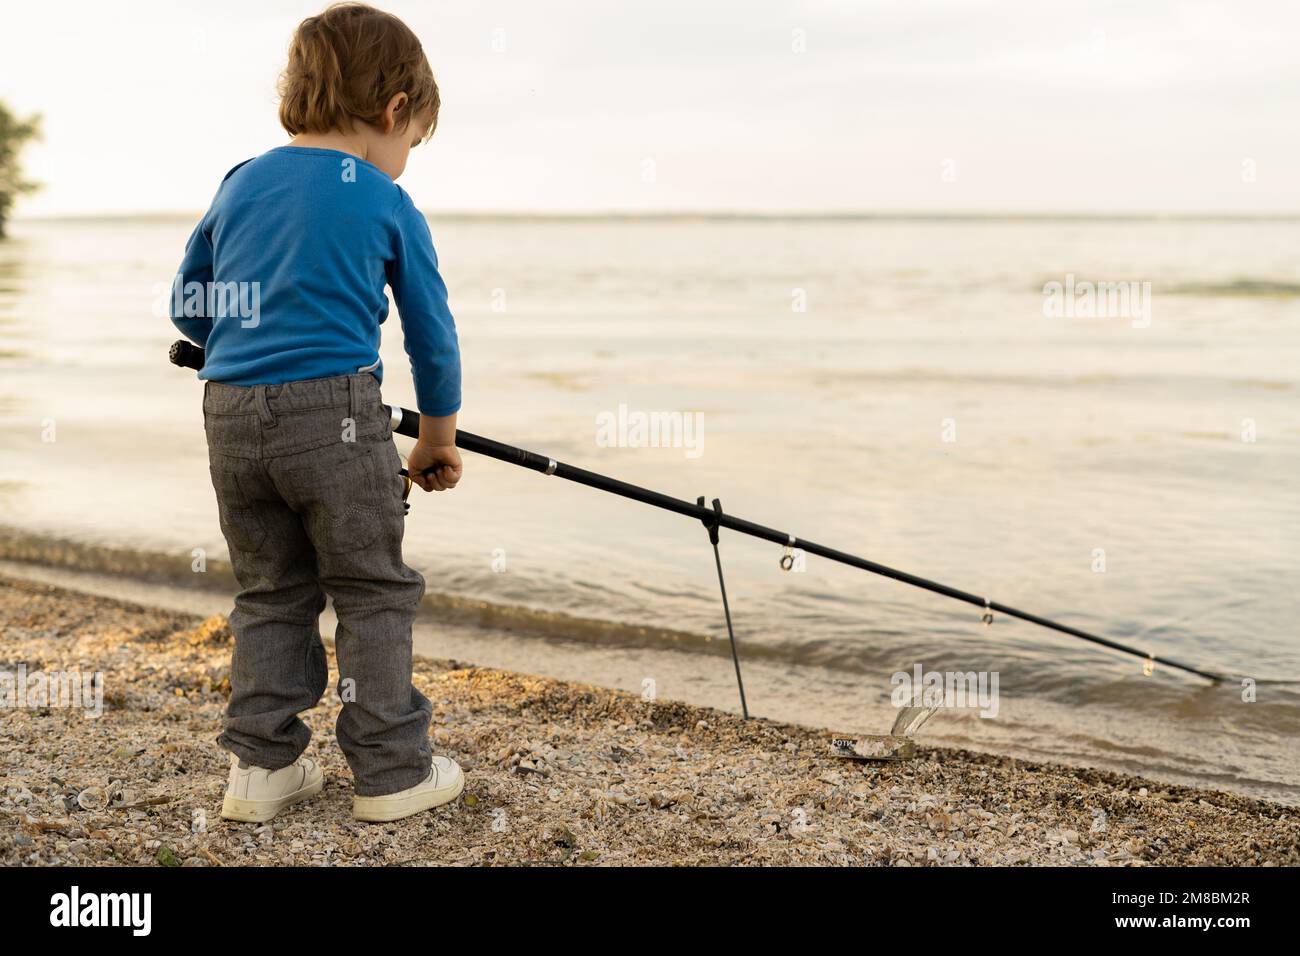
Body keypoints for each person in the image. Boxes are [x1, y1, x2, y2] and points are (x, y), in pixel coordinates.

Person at [169, 2, 464, 823]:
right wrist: (435, 438)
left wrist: (228, 339)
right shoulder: (383, 200)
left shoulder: (242, 180)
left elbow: (189, 304)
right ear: (395, 109)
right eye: (412, 141)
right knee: (371, 589)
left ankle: (260, 772)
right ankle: (391, 772)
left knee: (270, 590)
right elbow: (432, 335)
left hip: (228, 416)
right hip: (335, 417)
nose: (404, 160)